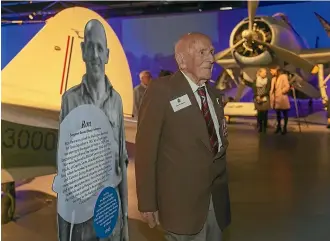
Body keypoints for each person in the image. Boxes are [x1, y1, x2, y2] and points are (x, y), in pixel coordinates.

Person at [135, 32, 231, 241]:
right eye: (202, 52)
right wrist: (147, 201)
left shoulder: (214, 95)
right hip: (180, 204)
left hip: (215, 202)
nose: (211, 59)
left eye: (212, 52)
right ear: (181, 60)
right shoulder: (162, 90)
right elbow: (145, 150)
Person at [57, 19, 129, 241]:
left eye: (100, 48)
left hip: (111, 213)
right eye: (90, 47)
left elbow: (121, 162)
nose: (95, 55)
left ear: (107, 54)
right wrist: (62, 234)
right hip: (82, 218)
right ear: (82, 51)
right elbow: (63, 171)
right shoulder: (70, 101)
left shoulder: (116, 101)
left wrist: (125, 222)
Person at [269, 66, 291, 135]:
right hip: (276, 99)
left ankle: (284, 127)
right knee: (278, 114)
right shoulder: (273, 79)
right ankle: (278, 127)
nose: (271, 72)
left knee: (285, 113)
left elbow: (287, 86)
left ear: (276, 70)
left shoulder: (283, 76)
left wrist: (282, 91)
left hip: (282, 98)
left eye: (272, 70)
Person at [252, 68, 271, 133]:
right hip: (257, 98)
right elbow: (254, 89)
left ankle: (264, 127)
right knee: (259, 113)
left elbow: (268, 89)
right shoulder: (255, 80)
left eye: (266, 72)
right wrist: (257, 96)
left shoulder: (268, 80)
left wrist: (261, 96)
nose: (265, 74)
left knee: (265, 113)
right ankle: (260, 127)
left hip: (265, 98)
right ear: (260, 73)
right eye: (264, 72)